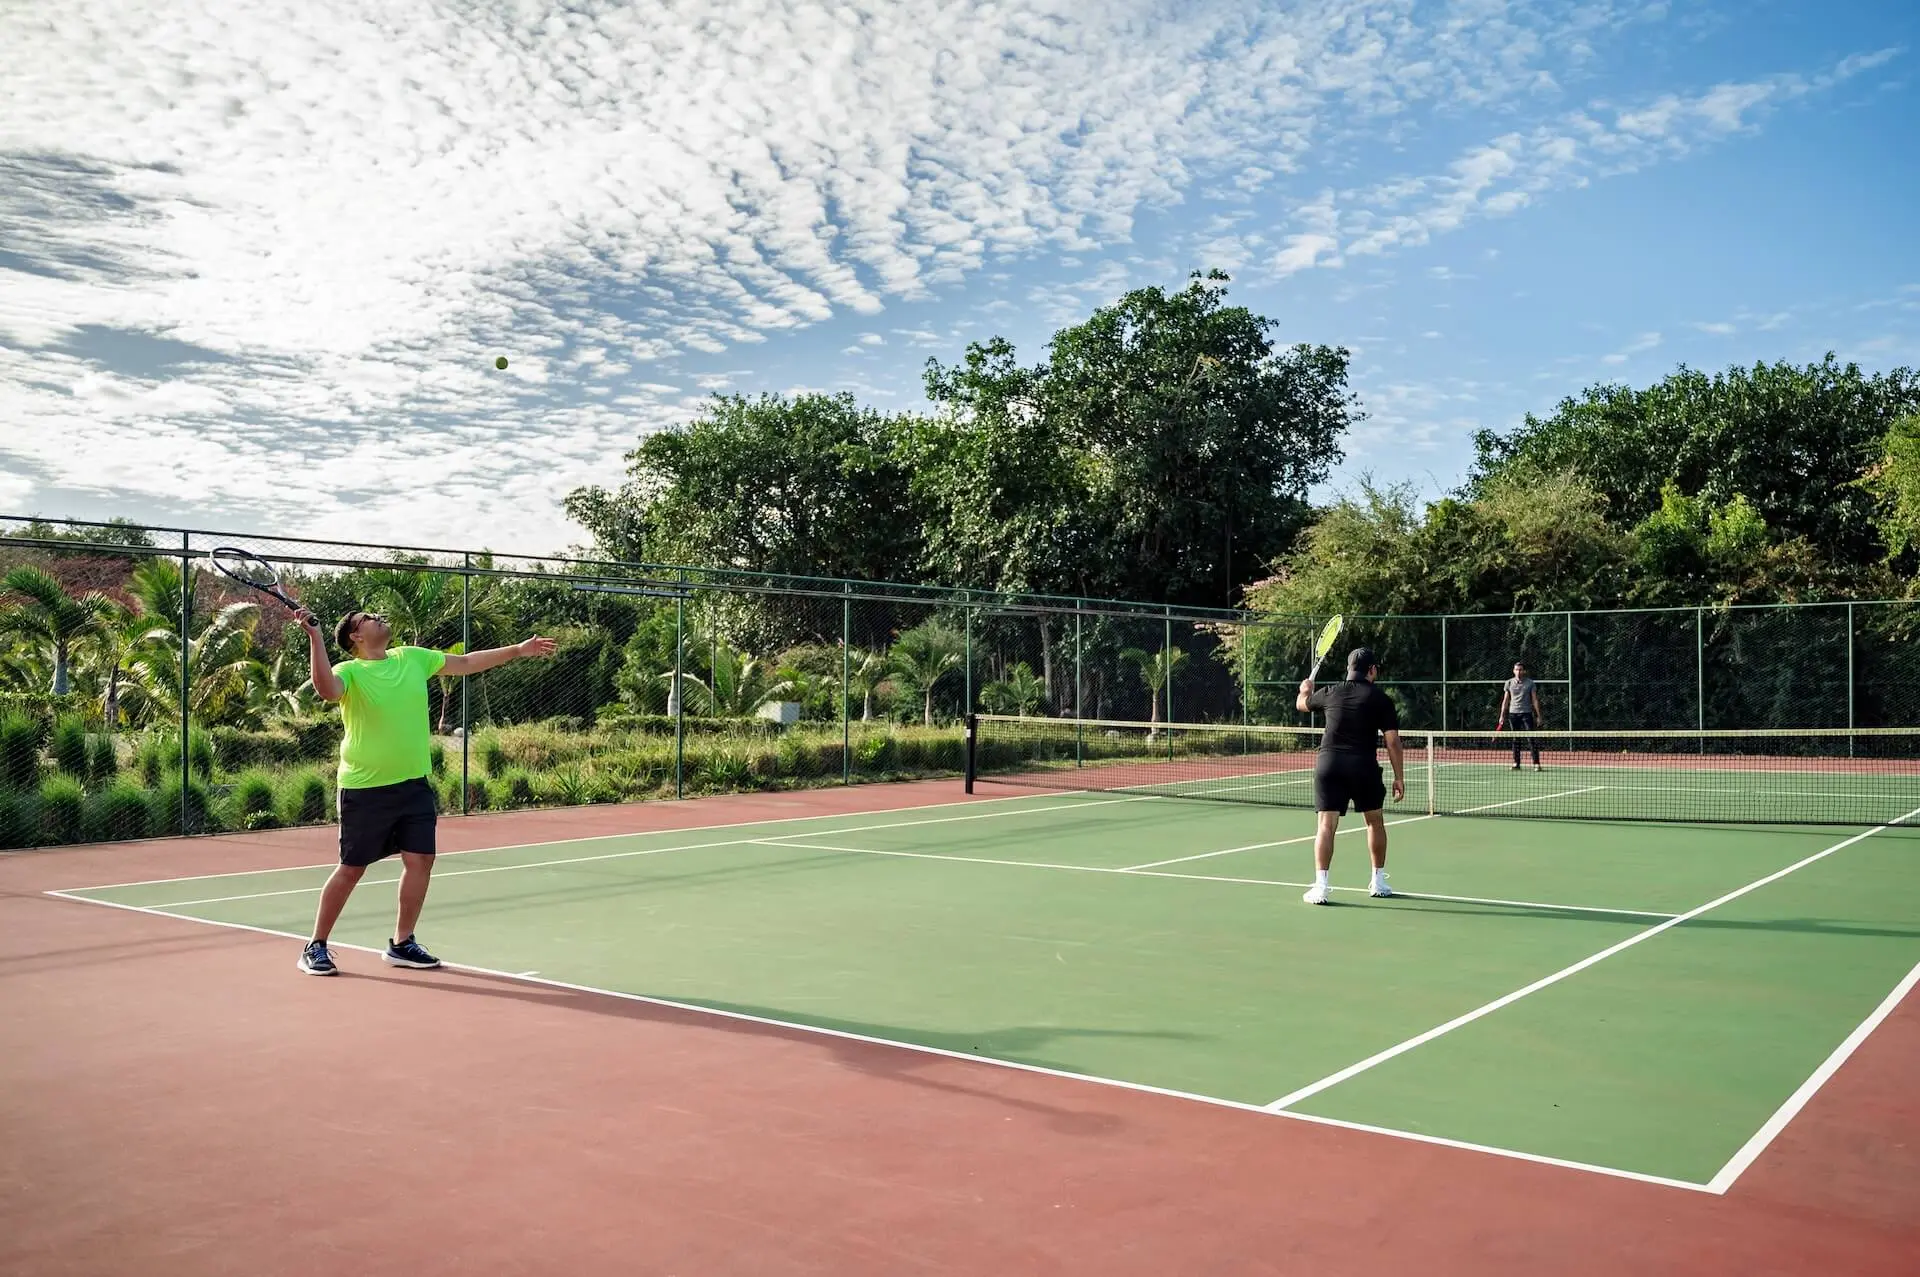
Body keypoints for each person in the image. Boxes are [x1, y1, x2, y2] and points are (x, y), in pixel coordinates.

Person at [290, 605, 557, 976]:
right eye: (367, 618)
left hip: (414, 784)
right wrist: (315, 637)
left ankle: (402, 943)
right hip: (365, 788)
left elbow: (465, 662)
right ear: (356, 636)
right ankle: (315, 945)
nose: (377, 616)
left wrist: (517, 650)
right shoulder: (349, 670)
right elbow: (326, 690)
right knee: (352, 869)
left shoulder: (412, 657)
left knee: (420, 861)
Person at [1295, 646, 1406, 905]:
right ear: (1372, 670)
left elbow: (1301, 704)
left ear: (1349, 669)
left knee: (1325, 826)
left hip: (1329, 766)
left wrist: (1304, 691)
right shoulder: (1380, 699)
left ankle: (1321, 887)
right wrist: (1399, 777)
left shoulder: (1330, 692)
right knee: (1375, 823)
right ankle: (1378, 882)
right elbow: (1392, 741)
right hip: (1363, 767)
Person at [1496, 660, 1545, 771]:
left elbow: (1535, 700)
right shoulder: (1509, 683)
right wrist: (1502, 715)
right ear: (1513, 671)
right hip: (1513, 714)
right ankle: (1516, 763)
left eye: (1520, 670)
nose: (1518, 672)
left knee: (1531, 739)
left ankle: (1536, 764)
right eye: (1516, 669)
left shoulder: (1530, 683)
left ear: (1524, 671)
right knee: (1515, 739)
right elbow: (1505, 700)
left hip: (1527, 714)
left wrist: (1539, 716)